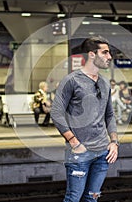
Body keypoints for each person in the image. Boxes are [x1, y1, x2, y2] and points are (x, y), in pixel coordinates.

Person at [51, 36, 119, 201]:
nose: (109, 57)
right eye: (105, 52)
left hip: (103, 153)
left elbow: (109, 114)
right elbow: (56, 112)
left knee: (93, 197)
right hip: (79, 153)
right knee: (73, 198)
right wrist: (74, 142)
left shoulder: (104, 83)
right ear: (92, 55)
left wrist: (114, 142)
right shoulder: (71, 80)